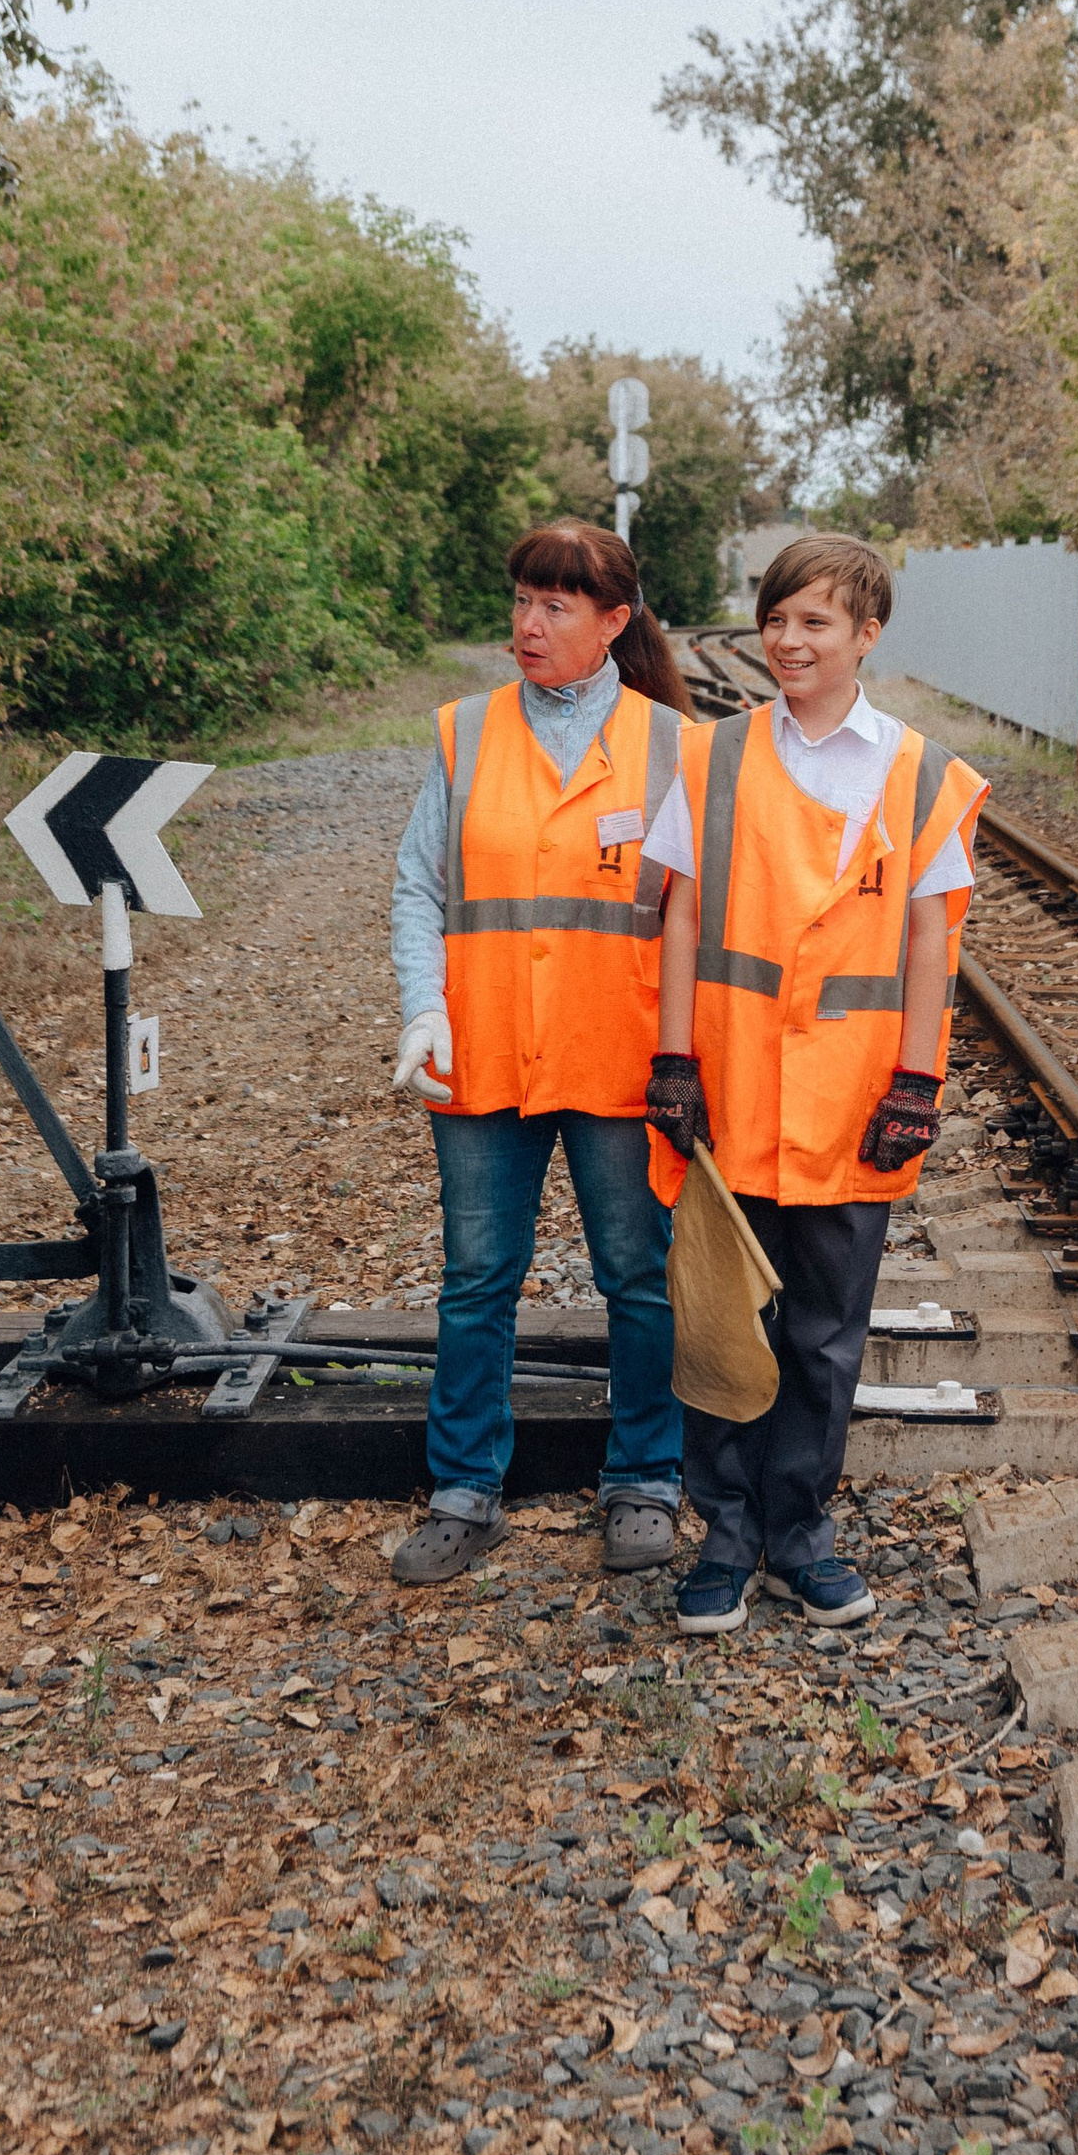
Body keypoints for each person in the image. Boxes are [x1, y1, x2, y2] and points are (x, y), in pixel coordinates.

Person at [640, 530, 987, 1634]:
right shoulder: (711, 757)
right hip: (732, 1092)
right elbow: (682, 913)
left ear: (865, 634)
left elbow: (932, 940)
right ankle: (724, 1535)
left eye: (814, 621)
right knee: (721, 1321)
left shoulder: (921, 774)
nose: (787, 639)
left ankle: (798, 1533)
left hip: (850, 1102)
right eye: (776, 617)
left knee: (827, 1332)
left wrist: (918, 1083)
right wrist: (672, 1054)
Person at [385, 520, 696, 1586]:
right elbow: (420, 885)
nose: (527, 622)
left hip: (619, 1059)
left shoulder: (672, 746)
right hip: (487, 1053)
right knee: (477, 1279)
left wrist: (688, 1055)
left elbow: (701, 915)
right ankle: (465, 1489)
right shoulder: (465, 733)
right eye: (521, 598)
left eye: (555, 604)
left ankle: (645, 1480)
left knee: (639, 1279)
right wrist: (424, 1007)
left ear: (615, 621)